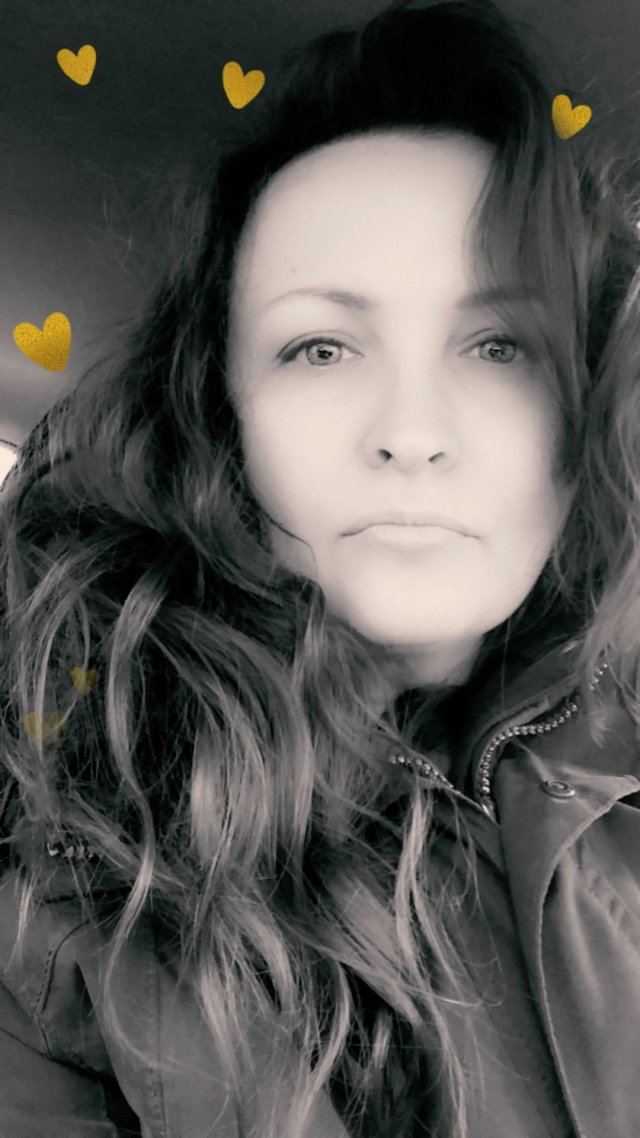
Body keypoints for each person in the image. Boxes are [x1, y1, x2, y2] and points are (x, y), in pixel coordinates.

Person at [1, 0, 639, 1134]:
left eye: (499, 345)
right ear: (223, 416)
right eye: (321, 347)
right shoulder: (66, 904)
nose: (411, 430)